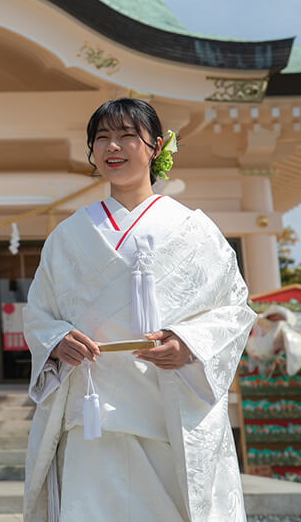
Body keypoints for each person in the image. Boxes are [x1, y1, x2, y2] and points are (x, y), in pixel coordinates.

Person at [23, 98, 256, 522]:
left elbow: (233, 310)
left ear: (156, 147)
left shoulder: (194, 229)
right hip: (92, 413)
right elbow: (39, 312)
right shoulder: (68, 234)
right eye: (102, 138)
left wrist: (189, 344)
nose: (114, 147)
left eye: (127, 136)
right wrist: (56, 340)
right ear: (92, 153)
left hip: (167, 408)